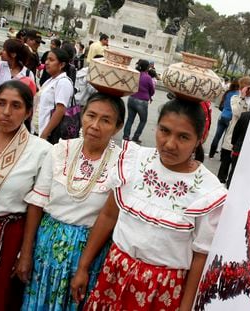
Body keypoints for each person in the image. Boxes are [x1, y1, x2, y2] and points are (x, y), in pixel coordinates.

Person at [71, 98, 227, 310]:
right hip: (114, 274)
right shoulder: (133, 161)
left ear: (201, 138)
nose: (170, 144)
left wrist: (186, 307)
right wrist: (83, 267)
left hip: (161, 290)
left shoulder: (207, 192)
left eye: (183, 137)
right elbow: (109, 216)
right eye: (164, 130)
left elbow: (200, 256)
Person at [17, 92, 125, 310]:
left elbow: (111, 217)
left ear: (118, 126)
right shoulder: (60, 150)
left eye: (106, 120)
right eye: (91, 116)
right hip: (46, 249)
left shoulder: (122, 163)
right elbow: (37, 203)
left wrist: (84, 266)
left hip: (90, 255)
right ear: (81, 116)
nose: (95, 125)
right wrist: (26, 253)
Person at [0, 80, 51, 310]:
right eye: (1, 103)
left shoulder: (41, 151)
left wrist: (25, 253)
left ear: (28, 113)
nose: (6, 112)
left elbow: (37, 206)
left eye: (16, 106)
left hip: (4, 237)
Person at [217, 76, 250, 184]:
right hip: (232, 134)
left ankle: (230, 184)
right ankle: (221, 181)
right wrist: (242, 97)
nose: (249, 91)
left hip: (243, 136)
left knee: (235, 166)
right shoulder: (235, 98)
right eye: (248, 88)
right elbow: (238, 113)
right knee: (226, 161)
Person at [33, 48, 74, 143]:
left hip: (49, 135)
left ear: (62, 65)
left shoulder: (63, 82)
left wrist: (45, 134)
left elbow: (60, 110)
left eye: (51, 60)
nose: (46, 62)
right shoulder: (50, 80)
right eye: (47, 59)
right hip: (38, 130)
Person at [0, 39, 34, 123]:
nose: (2, 52)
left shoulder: (27, 74)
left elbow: (29, 98)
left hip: (12, 118)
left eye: (5, 50)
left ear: (13, 54)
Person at [122, 59, 155, 143]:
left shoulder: (136, 74)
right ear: (147, 67)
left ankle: (126, 136)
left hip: (132, 98)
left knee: (130, 119)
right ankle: (136, 137)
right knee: (143, 120)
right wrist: (149, 95)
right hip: (142, 101)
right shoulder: (148, 77)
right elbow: (152, 90)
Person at [209, 80, 239, 158]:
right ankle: (222, 155)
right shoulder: (237, 95)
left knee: (217, 136)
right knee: (226, 137)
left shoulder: (227, 93)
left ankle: (211, 154)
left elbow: (221, 105)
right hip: (230, 118)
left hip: (222, 116)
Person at [226, 110, 250, 188]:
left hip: (238, 148)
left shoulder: (245, 115)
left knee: (233, 169)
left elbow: (236, 131)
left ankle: (228, 187)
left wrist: (233, 144)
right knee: (242, 173)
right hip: (249, 152)